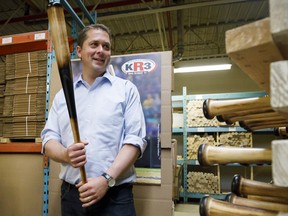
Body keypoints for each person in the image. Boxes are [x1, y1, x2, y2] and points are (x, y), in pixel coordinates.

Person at [41, 23, 147, 216]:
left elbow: (135, 141)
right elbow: (49, 139)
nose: (101, 51)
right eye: (94, 44)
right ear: (80, 51)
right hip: (73, 195)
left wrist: (106, 179)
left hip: (116, 197)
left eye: (106, 47)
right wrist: (65, 155)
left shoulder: (126, 90)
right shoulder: (63, 96)